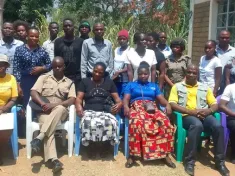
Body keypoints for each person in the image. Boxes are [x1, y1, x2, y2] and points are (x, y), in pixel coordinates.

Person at [169, 64, 229, 176]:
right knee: (197, 125)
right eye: (189, 72)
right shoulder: (177, 87)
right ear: (185, 73)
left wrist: (208, 111)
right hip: (186, 116)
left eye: (194, 73)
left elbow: (214, 104)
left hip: (204, 115)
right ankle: (189, 162)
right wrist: (189, 111)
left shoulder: (205, 87)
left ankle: (219, 162)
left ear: (198, 74)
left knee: (218, 127)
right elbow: (172, 103)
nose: (191, 75)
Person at [123, 61, 175, 168]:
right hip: (136, 107)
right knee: (136, 123)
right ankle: (133, 155)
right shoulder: (131, 85)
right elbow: (126, 99)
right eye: (141, 74)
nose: (143, 76)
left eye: (145, 74)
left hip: (152, 108)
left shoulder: (154, 86)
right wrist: (126, 107)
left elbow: (161, 99)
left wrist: (168, 105)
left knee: (165, 122)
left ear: (149, 74)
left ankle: (165, 154)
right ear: (138, 74)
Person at [30, 57, 76, 173]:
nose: (57, 68)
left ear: (64, 66)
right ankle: (55, 160)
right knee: (48, 126)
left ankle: (39, 138)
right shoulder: (44, 77)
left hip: (61, 112)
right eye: (55, 66)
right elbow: (33, 92)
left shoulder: (69, 83)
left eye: (60, 66)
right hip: (44, 110)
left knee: (60, 108)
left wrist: (54, 105)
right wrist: (43, 104)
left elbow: (71, 100)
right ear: (52, 66)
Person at [76, 62, 122, 158]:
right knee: (88, 123)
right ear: (92, 70)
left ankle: (106, 146)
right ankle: (90, 146)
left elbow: (118, 100)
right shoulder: (85, 81)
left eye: (100, 73)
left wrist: (119, 105)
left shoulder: (109, 82)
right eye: (95, 71)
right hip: (89, 110)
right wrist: (79, 106)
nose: (97, 74)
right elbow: (79, 98)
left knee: (110, 123)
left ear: (104, 73)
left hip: (105, 110)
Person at [13, 27, 51, 108]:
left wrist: (42, 68)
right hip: (24, 81)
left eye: (36, 36)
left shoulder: (42, 51)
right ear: (27, 36)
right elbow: (16, 68)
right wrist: (18, 85)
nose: (34, 38)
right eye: (32, 36)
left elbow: (50, 65)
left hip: (39, 81)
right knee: (25, 104)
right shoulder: (19, 50)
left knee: (37, 103)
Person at [54, 18, 83, 87]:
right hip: (62, 76)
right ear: (63, 28)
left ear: (74, 27)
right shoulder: (58, 42)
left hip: (77, 77)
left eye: (70, 25)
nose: (68, 27)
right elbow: (56, 58)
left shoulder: (80, 41)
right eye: (65, 26)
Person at [0, 54, 18, 165]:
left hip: (5, 110)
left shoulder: (11, 78)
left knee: (3, 130)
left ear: (6, 66)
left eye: (3, 64)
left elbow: (14, 98)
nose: (0, 67)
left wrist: (4, 109)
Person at [216, 30, 235, 94]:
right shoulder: (213, 50)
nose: (224, 39)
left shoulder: (234, 51)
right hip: (214, 83)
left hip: (229, 82)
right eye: (222, 37)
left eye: (227, 38)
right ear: (218, 38)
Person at [112, 29, 129, 97]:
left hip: (125, 81)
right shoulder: (116, 50)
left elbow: (131, 66)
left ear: (127, 40)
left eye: (124, 39)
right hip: (115, 80)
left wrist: (119, 72)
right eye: (120, 39)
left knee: (123, 99)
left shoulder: (131, 51)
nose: (122, 41)